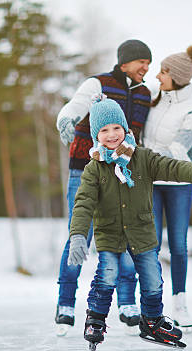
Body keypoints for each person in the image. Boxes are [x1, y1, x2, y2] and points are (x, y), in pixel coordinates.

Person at [67, 95, 192, 351]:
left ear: (125, 129)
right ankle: (95, 319)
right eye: (104, 130)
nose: (112, 134)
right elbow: (83, 204)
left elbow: (171, 167)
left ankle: (152, 321)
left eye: (116, 127)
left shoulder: (143, 158)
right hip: (110, 236)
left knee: (153, 281)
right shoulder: (94, 168)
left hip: (143, 235)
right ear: (96, 135)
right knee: (108, 276)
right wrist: (78, 235)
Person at [54, 39, 153, 336]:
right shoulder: (98, 84)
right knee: (79, 233)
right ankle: (65, 303)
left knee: (126, 233)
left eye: (149, 63)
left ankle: (126, 303)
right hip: (84, 170)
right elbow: (74, 107)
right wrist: (66, 120)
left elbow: (158, 125)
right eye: (141, 62)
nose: (146, 67)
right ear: (125, 63)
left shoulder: (147, 93)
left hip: (123, 173)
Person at [141, 45, 192, 331]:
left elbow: (179, 148)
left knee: (178, 245)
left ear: (177, 76)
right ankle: (150, 305)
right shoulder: (154, 103)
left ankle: (179, 302)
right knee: (150, 244)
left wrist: (149, 155)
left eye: (164, 72)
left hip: (178, 184)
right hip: (151, 184)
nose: (158, 76)